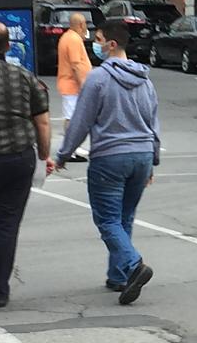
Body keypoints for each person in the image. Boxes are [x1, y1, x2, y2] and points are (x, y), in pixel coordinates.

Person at [55, 20, 160, 305]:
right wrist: (153, 158)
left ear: (112, 44)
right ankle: (118, 275)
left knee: (107, 219)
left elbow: (81, 121)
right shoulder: (145, 80)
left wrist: (64, 154)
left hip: (109, 157)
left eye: (99, 39)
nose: (95, 45)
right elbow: (153, 122)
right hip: (141, 156)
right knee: (124, 217)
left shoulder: (98, 79)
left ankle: (134, 266)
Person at [0, 21, 54, 308]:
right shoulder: (24, 76)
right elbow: (42, 120)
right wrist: (43, 154)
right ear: (7, 46)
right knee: (6, 224)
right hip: (17, 158)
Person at [57, 12, 92, 162]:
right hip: (73, 85)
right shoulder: (73, 39)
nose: (86, 27)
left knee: (74, 117)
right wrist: (83, 85)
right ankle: (70, 149)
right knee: (72, 118)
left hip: (71, 84)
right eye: (84, 24)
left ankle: (73, 147)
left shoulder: (70, 37)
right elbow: (76, 65)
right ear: (80, 25)